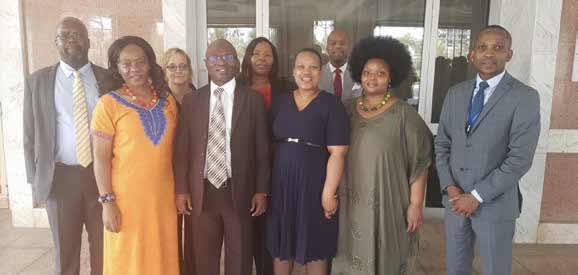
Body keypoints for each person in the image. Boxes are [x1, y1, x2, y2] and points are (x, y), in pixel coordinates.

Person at [435, 25, 540, 275]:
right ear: (473, 54)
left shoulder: (524, 97)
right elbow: (442, 145)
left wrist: (477, 196)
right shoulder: (455, 93)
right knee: (456, 269)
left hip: (494, 205)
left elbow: (519, 159)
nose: (489, 54)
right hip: (455, 201)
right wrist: (450, 187)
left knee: (495, 269)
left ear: (509, 54)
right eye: (483, 47)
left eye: (498, 48)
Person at [331, 36, 433, 275]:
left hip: (390, 200)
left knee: (389, 253)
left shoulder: (405, 115)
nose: (372, 78)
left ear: (391, 78)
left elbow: (420, 162)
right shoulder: (345, 109)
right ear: (359, 74)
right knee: (349, 251)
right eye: (367, 72)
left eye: (380, 73)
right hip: (350, 199)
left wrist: (416, 204)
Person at [174, 39, 270, 275]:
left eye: (228, 57)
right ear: (206, 64)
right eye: (215, 58)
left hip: (240, 190)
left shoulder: (253, 99)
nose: (221, 63)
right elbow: (182, 150)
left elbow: (263, 149)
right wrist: (182, 189)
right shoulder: (192, 101)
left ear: (237, 63)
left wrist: (261, 190)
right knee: (204, 258)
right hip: (202, 191)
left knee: (240, 257)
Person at [23, 17, 111, 275]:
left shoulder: (108, 79)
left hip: (102, 176)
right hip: (59, 179)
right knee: (65, 250)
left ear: (89, 42)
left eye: (78, 34)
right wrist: (35, 179)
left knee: (105, 246)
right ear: (56, 43)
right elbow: (29, 135)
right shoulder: (37, 81)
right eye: (65, 35)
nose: (72, 39)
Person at [91, 36, 179, 275]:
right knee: (128, 258)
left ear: (150, 63)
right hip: (126, 200)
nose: (134, 69)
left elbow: (177, 151)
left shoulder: (167, 100)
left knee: (163, 254)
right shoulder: (107, 104)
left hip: (163, 197)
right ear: (116, 68)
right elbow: (100, 158)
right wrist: (107, 202)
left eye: (140, 62)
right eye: (126, 64)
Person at [267, 48, 349, 275]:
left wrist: (328, 193)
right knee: (282, 244)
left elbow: (338, 153)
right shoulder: (279, 103)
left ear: (320, 72)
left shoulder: (332, 105)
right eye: (301, 66)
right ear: (293, 72)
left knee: (316, 243)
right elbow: (267, 146)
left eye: (313, 67)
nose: (306, 72)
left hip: (315, 186)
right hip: (281, 186)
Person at [239, 37, 295, 275]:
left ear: (274, 60)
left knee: (270, 225)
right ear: (249, 58)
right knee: (244, 226)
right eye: (257, 53)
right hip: (242, 166)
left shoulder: (286, 88)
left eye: (268, 54)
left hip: (277, 165)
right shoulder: (236, 86)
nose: (262, 58)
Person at [161, 47, 197, 274]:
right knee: (170, 230)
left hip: (193, 174)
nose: (178, 71)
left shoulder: (200, 96)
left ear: (190, 69)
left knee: (194, 233)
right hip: (164, 174)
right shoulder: (157, 99)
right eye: (172, 66)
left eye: (183, 65)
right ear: (164, 71)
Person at [319, 29, 361, 102]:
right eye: (333, 43)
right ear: (327, 48)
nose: (338, 46)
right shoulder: (318, 73)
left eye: (342, 43)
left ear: (350, 48)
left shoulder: (359, 73)